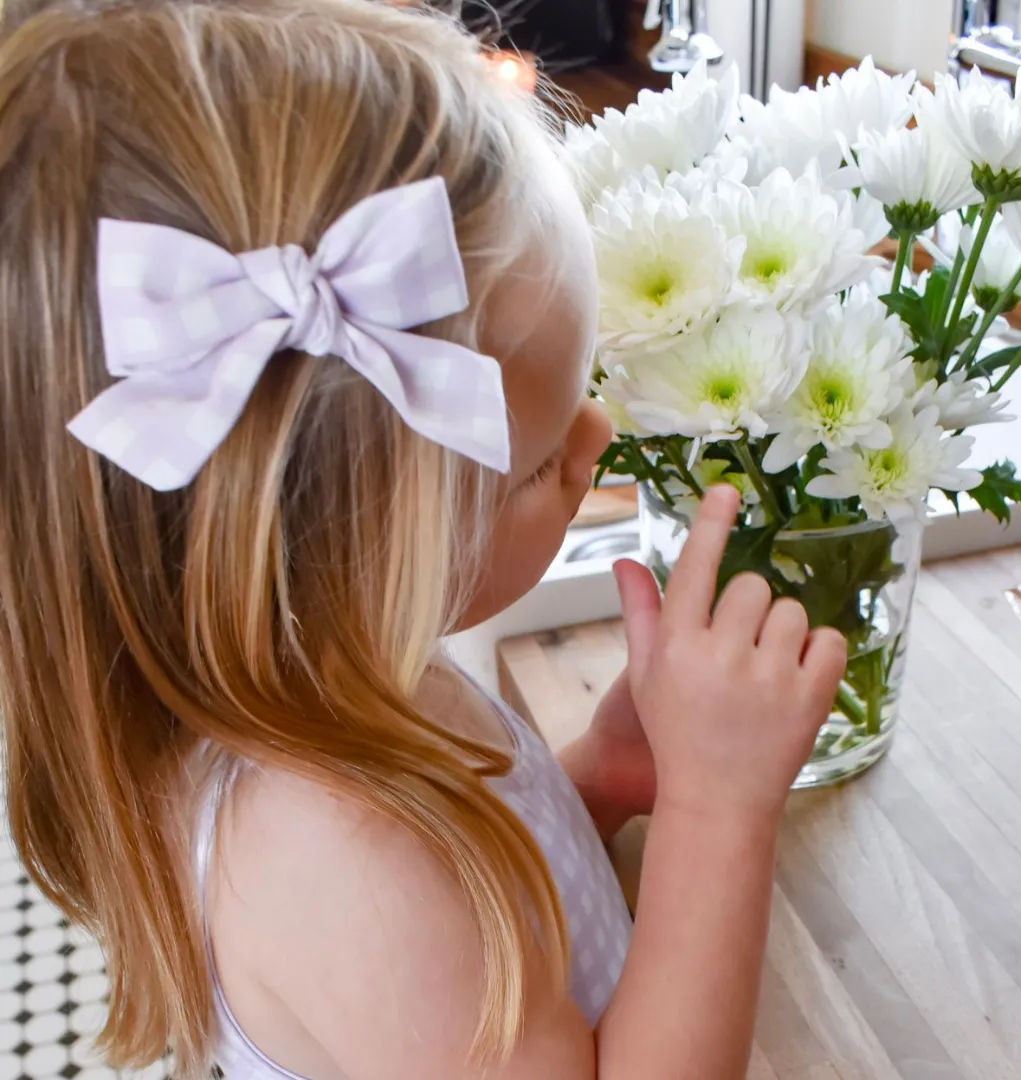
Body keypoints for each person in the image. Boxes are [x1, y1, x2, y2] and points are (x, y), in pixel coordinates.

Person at [0, 2, 848, 1078]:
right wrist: (719, 811)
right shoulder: (343, 863)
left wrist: (602, 776)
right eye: (542, 462)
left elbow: (498, 896)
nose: (598, 436)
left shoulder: (336, 678)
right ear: (348, 537)